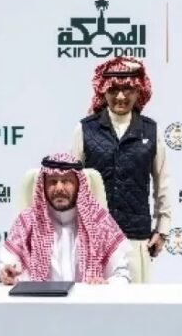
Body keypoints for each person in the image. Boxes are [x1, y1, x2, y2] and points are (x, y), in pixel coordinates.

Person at [70, 57, 171, 283]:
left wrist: (162, 229)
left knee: (136, 304)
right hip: (93, 236)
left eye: (128, 90)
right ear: (103, 91)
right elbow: (73, 184)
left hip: (136, 237)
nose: (121, 97)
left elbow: (162, 183)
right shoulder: (85, 129)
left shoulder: (151, 131)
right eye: (114, 90)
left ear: (138, 91)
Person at [0, 154, 130, 285]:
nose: (59, 188)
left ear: (79, 185)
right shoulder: (27, 222)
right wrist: (4, 273)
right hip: (40, 298)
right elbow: (5, 267)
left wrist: (105, 284)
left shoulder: (100, 222)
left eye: (67, 181)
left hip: (87, 298)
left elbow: (122, 275)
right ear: (43, 186)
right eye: (52, 182)